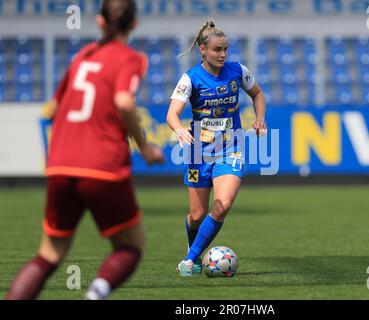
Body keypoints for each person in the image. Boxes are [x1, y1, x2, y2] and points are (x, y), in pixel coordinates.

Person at [6, 0, 164, 300]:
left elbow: (52, 110)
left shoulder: (82, 57)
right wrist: (144, 147)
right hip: (102, 165)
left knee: (49, 255)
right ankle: (95, 295)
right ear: (134, 25)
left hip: (61, 164)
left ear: (100, 22)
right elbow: (123, 102)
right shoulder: (130, 58)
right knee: (130, 247)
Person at [166, 19, 267, 276]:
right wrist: (178, 129)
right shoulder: (190, 79)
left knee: (222, 205)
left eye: (225, 49)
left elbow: (257, 93)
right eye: (217, 50)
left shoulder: (237, 71)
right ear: (203, 50)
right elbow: (172, 114)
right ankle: (195, 248)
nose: (222, 54)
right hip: (198, 152)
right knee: (197, 216)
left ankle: (189, 260)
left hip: (230, 148)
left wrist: (259, 118)